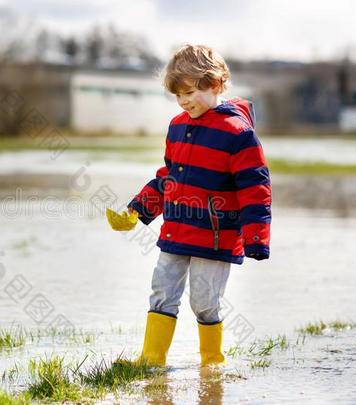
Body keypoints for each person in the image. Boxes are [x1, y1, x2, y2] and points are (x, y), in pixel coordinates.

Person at [111, 44, 272, 367]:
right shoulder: (177, 126)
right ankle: (152, 358)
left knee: (204, 302)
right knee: (161, 291)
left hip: (215, 236)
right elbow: (167, 177)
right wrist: (137, 211)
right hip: (176, 230)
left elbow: (255, 189)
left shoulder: (238, 134)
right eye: (178, 95)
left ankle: (211, 361)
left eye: (189, 92)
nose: (184, 101)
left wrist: (256, 237)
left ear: (214, 84)